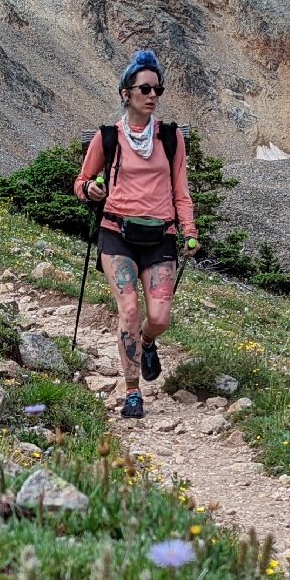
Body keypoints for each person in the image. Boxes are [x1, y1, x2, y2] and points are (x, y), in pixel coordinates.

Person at [72, 50, 199, 419]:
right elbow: (80, 183)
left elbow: (181, 191)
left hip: (161, 237)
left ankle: (147, 343)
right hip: (117, 233)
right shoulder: (107, 137)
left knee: (159, 318)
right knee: (128, 310)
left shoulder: (172, 138)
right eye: (144, 88)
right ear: (126, 93)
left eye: (157, 88)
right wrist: (90, 191)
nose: (152, 94)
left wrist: (189, 231)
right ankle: (132, 393)